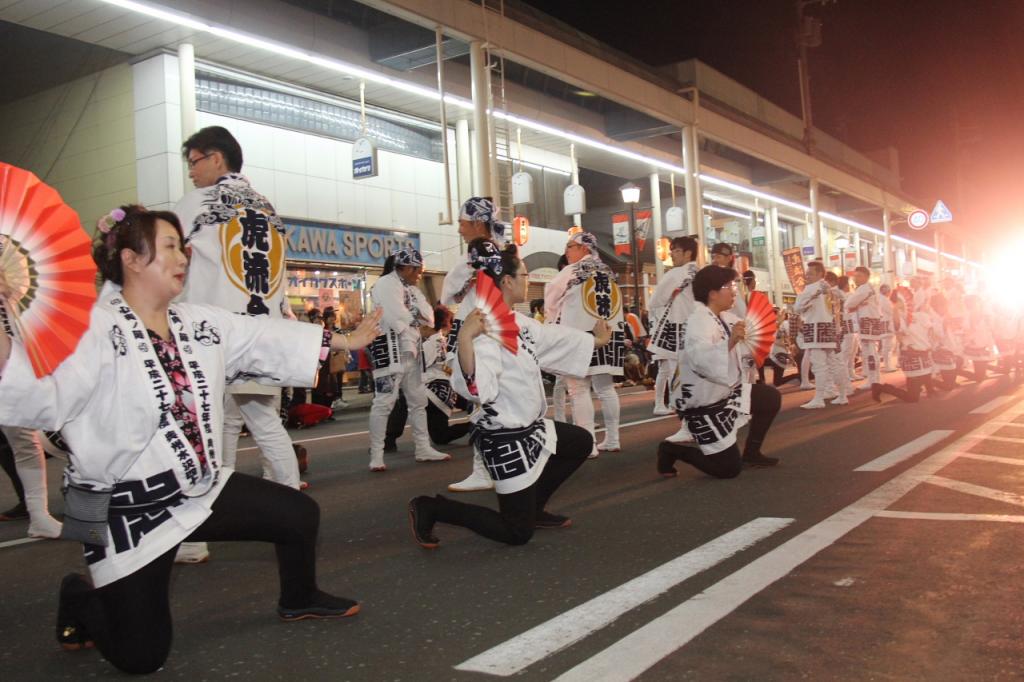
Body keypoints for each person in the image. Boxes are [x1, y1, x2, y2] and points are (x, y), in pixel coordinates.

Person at [0, 206, 381, 674]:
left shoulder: (199, 322)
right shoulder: (93, 331)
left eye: (182, 246)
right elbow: (38, 391)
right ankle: (79, 595)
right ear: (131, 259)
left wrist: (347, 342)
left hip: (197, 486)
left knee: (298, 513)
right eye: (169, 247)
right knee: (142, 656)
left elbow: (265, 335)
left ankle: (298, 596)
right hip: (129, 507)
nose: (183, 256)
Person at [407, 240, 609, 548]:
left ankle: (533, 509)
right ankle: (432, 507)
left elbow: (552, 339)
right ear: (507, 281)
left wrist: (594, 341)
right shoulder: (484, 329)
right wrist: (464, 340)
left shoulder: (516, 321)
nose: (528, 281)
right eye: (525, 275)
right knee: (517, 533)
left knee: (580, 441)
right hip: (504, 438)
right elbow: (478, 388)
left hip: (531, 428)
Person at [174, 126, 296, 564]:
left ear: (217, 159)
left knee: (208, 431)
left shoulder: (200, 203)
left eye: (194, 160)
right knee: (262, 423)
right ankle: (294, 510)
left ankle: (196, 536)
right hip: (263, 333)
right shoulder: (266, 205)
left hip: (215, 334)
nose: (190, 170)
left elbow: (167, 251)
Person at [656, 266, 781, 478]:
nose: (734, 291)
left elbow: (741, 348)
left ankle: (751, 452)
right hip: (705, 403)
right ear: (712, 293)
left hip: (727, 392)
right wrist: (731, 341)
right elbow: (701, 360)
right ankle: (671, 450)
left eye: (734, 285)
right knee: (727, 469)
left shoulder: (725, 317)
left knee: (769, 397)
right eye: (729, 286)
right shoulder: (698, 322)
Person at [442, 197, 509, 493]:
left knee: (480, 399)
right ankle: (506, 462)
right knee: (501, 398)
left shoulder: (472, 257)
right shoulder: (505, 252)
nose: (459, 229)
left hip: (476, 330)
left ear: (478, 223)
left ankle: (484, 469)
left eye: (462, 223)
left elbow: (447, 297)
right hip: (502, 327)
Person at [366, 248, 450, 471]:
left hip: (411, 350)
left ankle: (423, 448)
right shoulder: (385, 283)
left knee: (418, 400)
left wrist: (413, 315)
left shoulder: (411, 288)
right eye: (417, 270)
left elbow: (430, 317)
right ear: (405, 267)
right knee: (384, 402)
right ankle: (376, 454)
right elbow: (395, 316)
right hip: (389, 349)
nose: (419, 275)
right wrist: (415, 317)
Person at [544, 232, 625, 456]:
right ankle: (613, 438)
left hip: (580, 334)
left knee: (579, 389)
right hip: (609, 332)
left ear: (584, 249)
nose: (566, 251)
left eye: (570, 246)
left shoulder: (572, 271)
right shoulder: (608, 271)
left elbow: (550, 294)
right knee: (606, 388)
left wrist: (552, 321)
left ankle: (588, 444)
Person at [384, 307, 472, 450]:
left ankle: (388, 440)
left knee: (402, 398)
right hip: (443, 392)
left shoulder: (430, 344)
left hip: (432, 389)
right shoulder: (443, 342)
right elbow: (447, 368)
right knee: (440, 436)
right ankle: (474, 425)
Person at [648, 236, 698, 416]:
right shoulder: (701, 273)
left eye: (676, 251)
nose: (672, 254)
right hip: (698, 327)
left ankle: (677, 408)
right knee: (691, 370)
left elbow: (654, 301)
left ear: (688, 253)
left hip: (675, 327)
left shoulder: (675, 274)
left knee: (673, 370)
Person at [794, 261, 848, 408]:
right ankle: (841, 394)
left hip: (816, 327)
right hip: (828, 327)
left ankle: (819, 399)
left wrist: (810, 297)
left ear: (819, 274)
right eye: (807, 273)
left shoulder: (812, 288)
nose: (807, 276)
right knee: (833, 363)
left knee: (819, 365)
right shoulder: (830, 289)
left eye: (810, 273)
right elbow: (843, 300)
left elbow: (797, 308)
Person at [873, 288, 938, 402]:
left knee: (928, 382)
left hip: (924, 355)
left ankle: (930, 389)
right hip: (912, 356)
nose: (905, 303)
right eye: (898, 301)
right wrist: (895, 310)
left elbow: (931, 328)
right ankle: (880, 388)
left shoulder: (920, 315)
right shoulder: (899, 318)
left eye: (906, 300)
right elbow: (898, 327)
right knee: (912, 398)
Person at [845, 267, 885, 389]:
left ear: (866, 277)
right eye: (855, 276)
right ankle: (874, 379)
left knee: (869, 352)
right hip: (871, 320)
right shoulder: (870, 288)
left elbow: (849, 304)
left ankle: (872, 380)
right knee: (871, 350)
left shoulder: (863, 289)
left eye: (858, 276)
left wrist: (856, 305)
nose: (855, 278)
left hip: (866, 321)